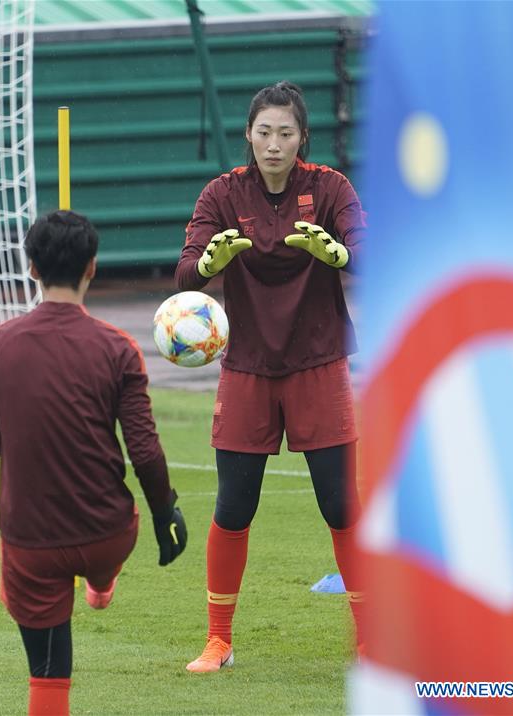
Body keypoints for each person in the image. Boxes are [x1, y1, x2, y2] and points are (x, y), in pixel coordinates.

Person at [175, 81, 365, 673]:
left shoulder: (330, 186)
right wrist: (210, 264)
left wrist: (340, 255)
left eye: (286, 133)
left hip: (319, 362)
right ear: (249, 137)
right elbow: (186, 273)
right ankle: (218, 642)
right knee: (234, 506)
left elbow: (372, 249)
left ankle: (372, 643)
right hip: (248, 368)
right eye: (265, 132)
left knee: (341, 506)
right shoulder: (223, 193)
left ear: (302, 138)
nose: (274, 144)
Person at [0, 210, 188, 715]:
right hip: (109, 534)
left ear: (31, 269)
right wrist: (164, 514)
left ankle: (79, 586)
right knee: (100, 547)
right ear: (92, 268)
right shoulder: (118, 348)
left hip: (31, 542)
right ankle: (101, 578)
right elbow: (145, 452)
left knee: (47, 676)